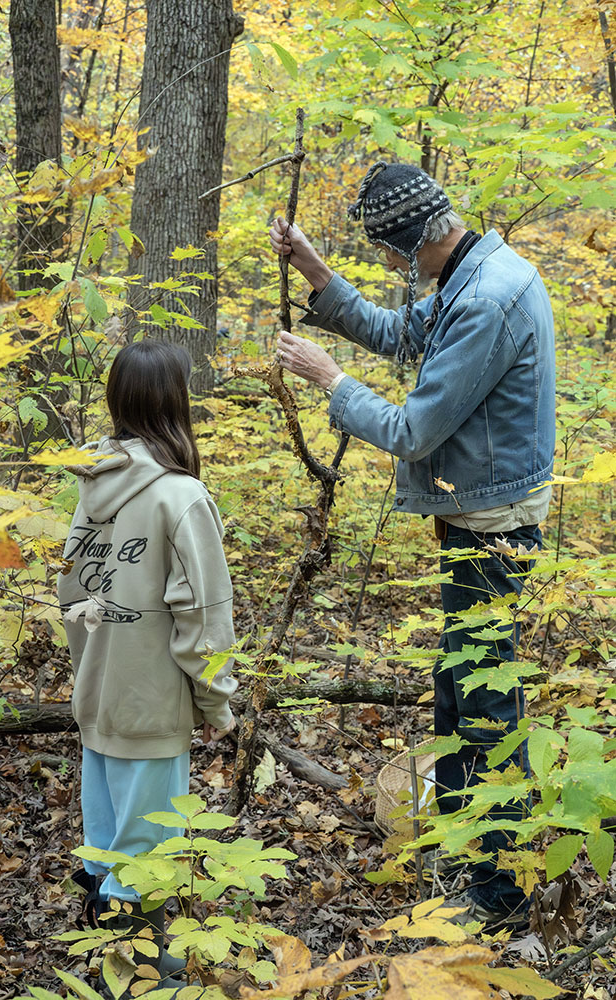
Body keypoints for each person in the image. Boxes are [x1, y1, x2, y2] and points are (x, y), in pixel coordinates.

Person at [269, 161, 556, 929]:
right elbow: (400, 335)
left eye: (390, 257)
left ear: (407, 246)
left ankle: (499, 898)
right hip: (476, 526)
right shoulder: (473, 270)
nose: (391, 271)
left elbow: (411, 430)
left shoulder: (487, 300)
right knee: (458, 695)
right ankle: (470, 852)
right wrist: (316, 273)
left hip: (493, 535)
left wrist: (330, 381)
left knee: (488, 710)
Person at [58, 339, 237, 994]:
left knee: (107, 849)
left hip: (100, 701)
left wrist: (90, 676)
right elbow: (205, 620)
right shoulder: (181, 497)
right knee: (146, 860)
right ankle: (141, 981)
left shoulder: (91, 485)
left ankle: (104, 967)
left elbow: (70, 599)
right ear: (174, 403)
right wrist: (216, 704)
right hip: (153, 706)